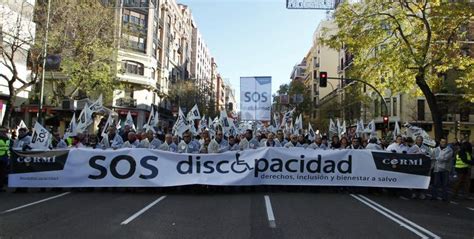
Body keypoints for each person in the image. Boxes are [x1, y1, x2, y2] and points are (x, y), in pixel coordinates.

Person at [0, 128, 11, 192]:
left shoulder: (7, 139)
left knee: (2, 173)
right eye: (2, 132)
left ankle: (0, 187)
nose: (4, 133)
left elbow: (9, 147)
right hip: (1, 157)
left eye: (5, 132)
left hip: (4, 158)